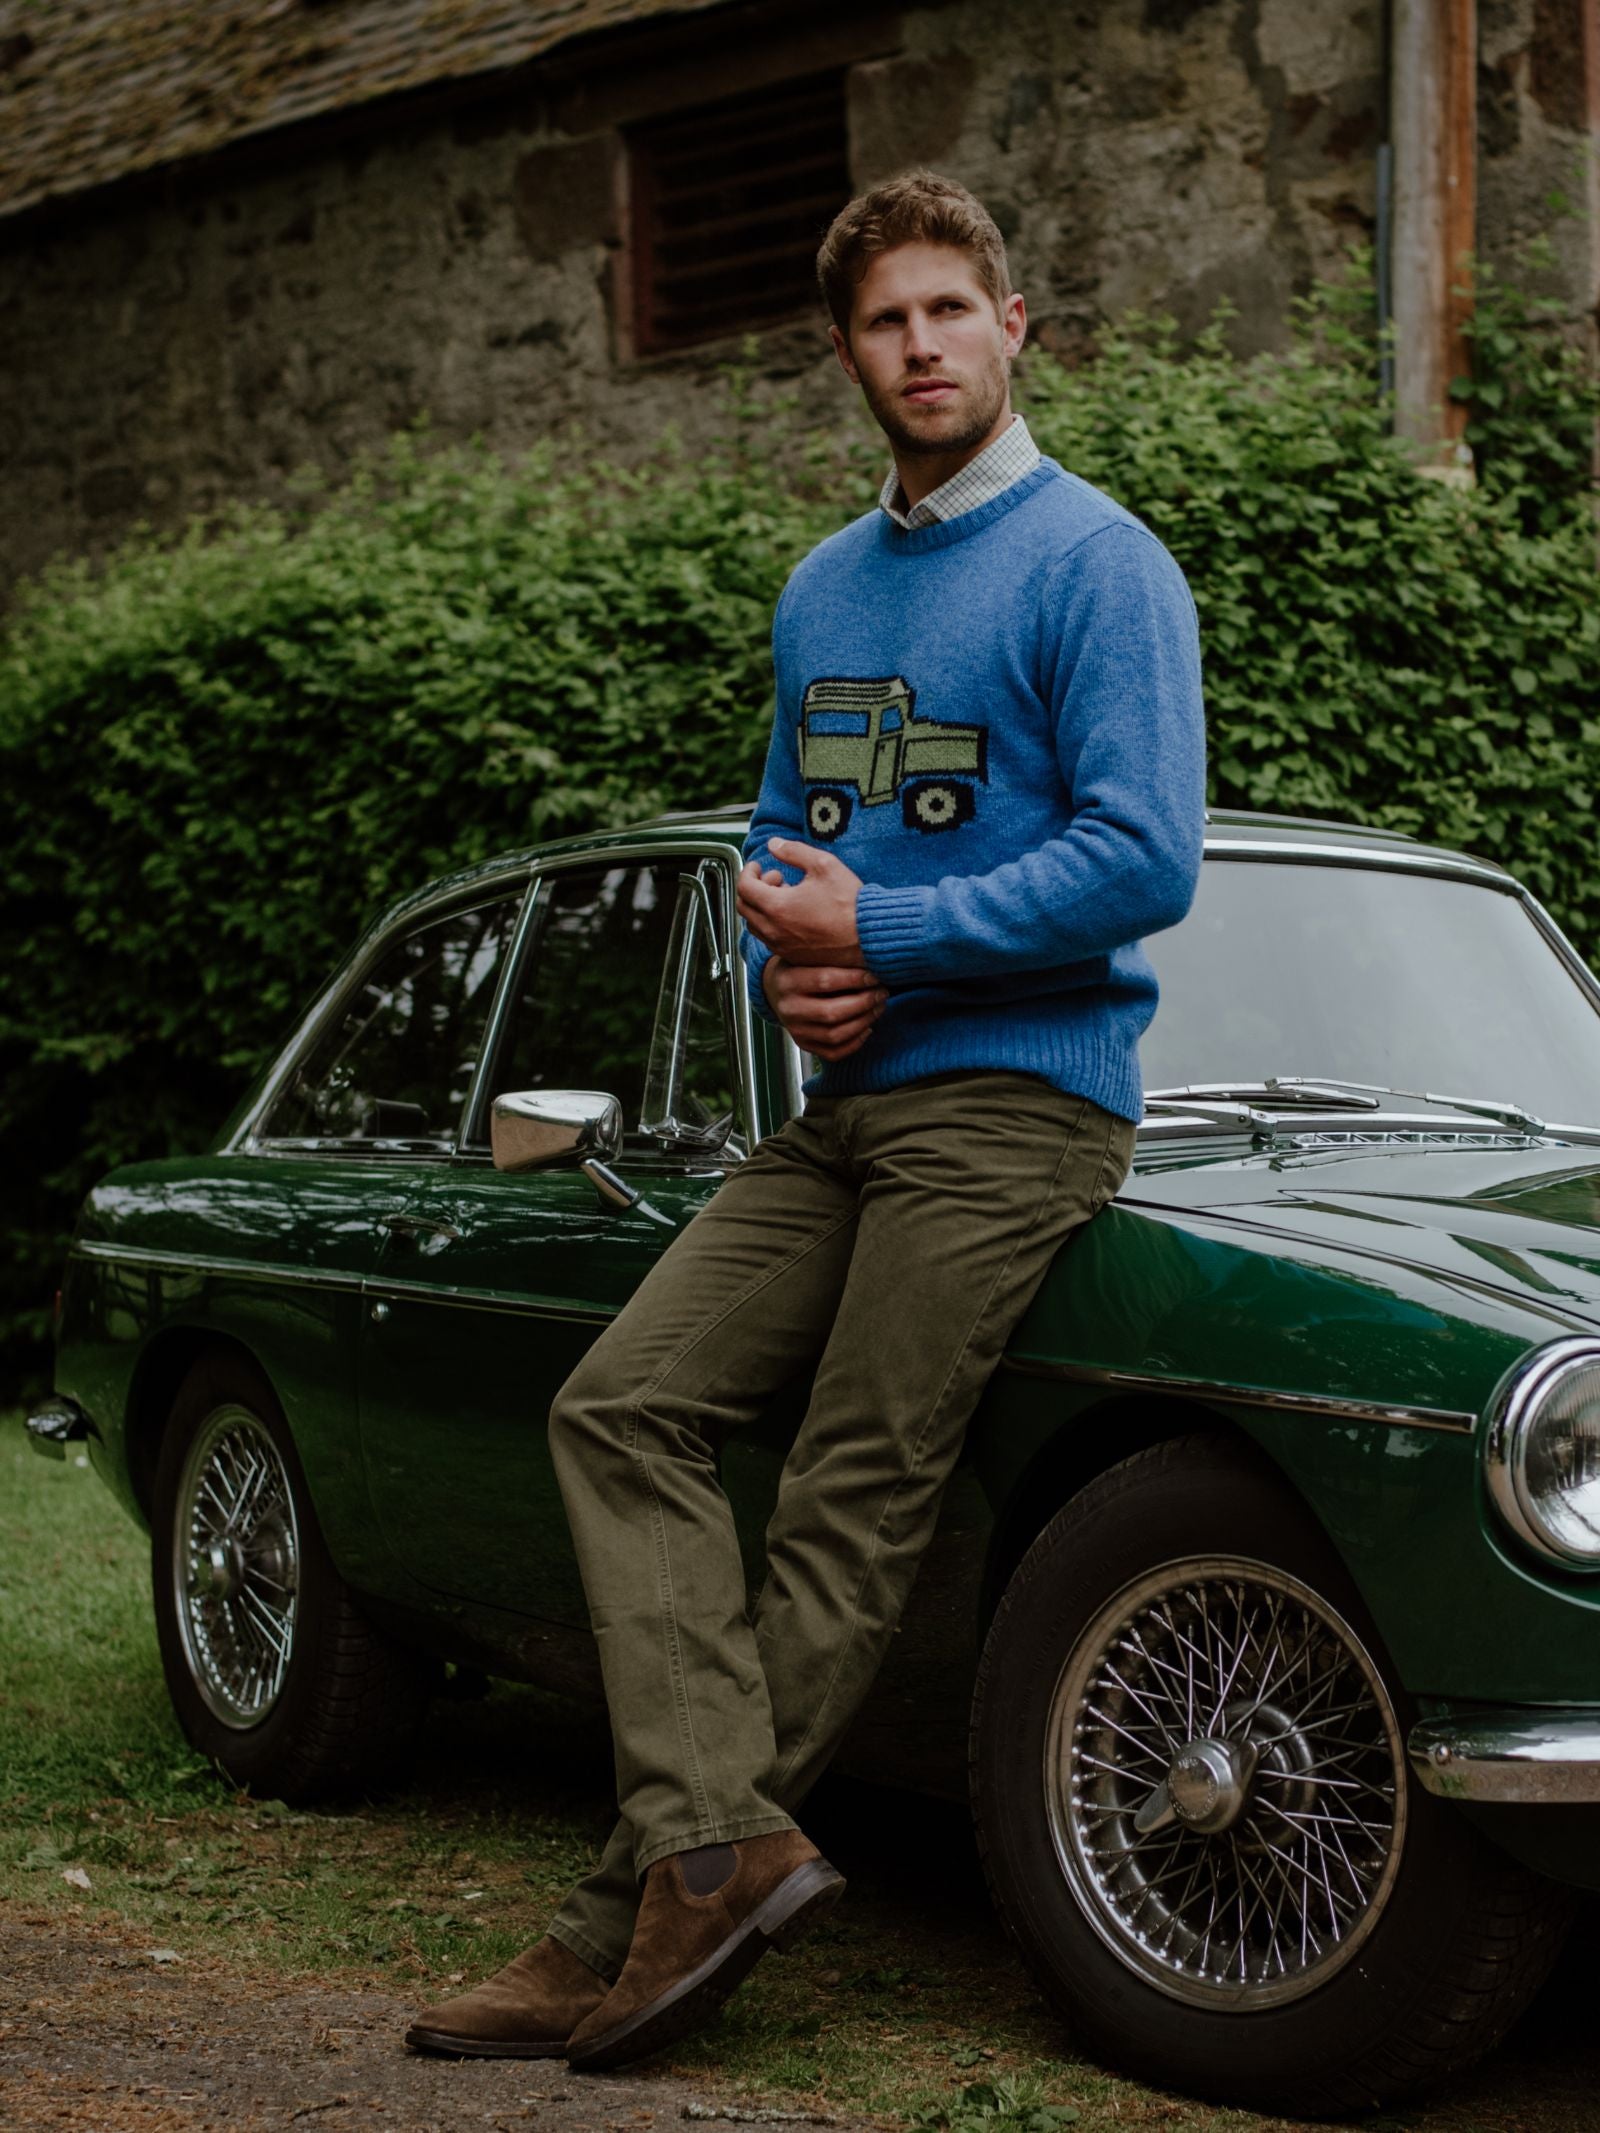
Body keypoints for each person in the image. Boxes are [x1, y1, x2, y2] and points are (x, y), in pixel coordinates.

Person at [407, 168, 1205, 2072]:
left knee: (853, 1488)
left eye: (950, 310)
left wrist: (900, 940)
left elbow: (1146, 854)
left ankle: (630, 1908)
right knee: (624, 1402)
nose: (920, 346)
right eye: (882, 321)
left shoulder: (1103, 564)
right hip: (854, 1099)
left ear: (1014, 327)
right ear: (845, 353)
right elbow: (791, 854)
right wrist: (809, 970)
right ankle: (708, 1855)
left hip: (1021, 1107)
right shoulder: (825, 587)